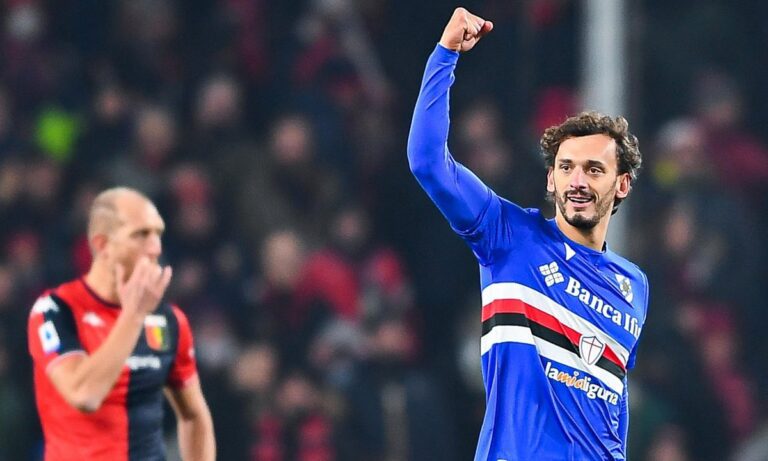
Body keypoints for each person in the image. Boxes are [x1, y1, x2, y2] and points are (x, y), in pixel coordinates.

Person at [407, 7, 648, 461]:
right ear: (551, 180)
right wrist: (445, 55)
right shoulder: (508, 236)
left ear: (621, 185)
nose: (578, 181)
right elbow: (427, 162)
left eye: (594, 169)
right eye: (566, 168)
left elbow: (612, 402)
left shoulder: (633, 285)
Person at [27, 187, 215, 461]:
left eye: (158, 234)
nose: (155, 248)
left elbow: (194, 415)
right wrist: (133, 316)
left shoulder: (168, 321)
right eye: (141, 235)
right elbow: (84, 394)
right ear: (103, 245)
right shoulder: (55, 310)